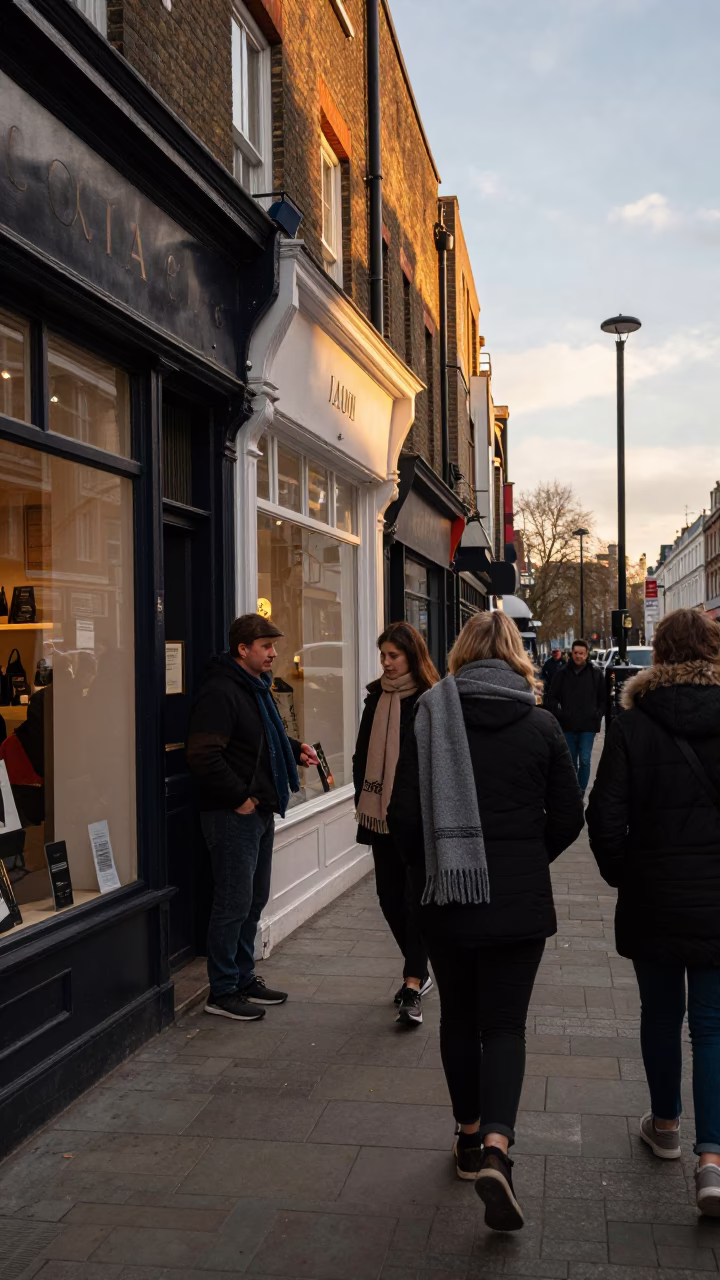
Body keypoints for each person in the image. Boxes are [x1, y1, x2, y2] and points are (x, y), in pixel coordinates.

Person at [388, 611, 583, 1231]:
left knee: (460, 1020)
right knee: (505, 1027)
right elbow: (568, 816)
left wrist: (443, 866)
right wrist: (526, 860)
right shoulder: (542, 725)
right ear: (517, 655)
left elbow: (403, 818)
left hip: (445, 904)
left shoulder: (430, 717)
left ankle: (469, 1138)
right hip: (518, 905)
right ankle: (499, 1146)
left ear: (462, 654)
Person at [587, 608, 720, 1218]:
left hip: (656, 895)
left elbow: (605, 817)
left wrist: (629, 879)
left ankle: (665, 1125)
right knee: (714, 1026)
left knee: (662, 1015)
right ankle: (712, 1160)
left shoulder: (632, 723)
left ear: (659, 654)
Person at [187, 614, 319, 1022]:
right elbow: (202, 754)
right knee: (232, 903)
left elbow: (260, 738)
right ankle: (223, 989)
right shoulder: (221, 691)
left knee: (253, 900)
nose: (274, 653)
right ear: (242, 649)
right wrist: (239, 797)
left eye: (273, 646)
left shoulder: (255, 689)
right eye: (265, 646)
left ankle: (243, 978)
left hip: (260, 809)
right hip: (233, 814)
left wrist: (293, 747)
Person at [353, 622, 439, 1027]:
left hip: (418, 819)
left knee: (414, 900)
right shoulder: (375, 698)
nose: (386, 663)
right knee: (389, 900)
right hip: (381, 817)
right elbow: (360, 754)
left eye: (393, 656)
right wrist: (362, 798)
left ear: (412, 657)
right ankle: (421, 966)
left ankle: (412, 982)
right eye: (383, 655)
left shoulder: (430, 699)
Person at [547, 638, 604, 795]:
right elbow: (552, 697)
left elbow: (603, 699)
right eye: (575, 653)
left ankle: (581, 791)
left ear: (586, 655)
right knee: (571, 761)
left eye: (581, 653)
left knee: (585, 760)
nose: (578, 656)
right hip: (568, 725)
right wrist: (560, 714)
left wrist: (597, 715)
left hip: (588, 725)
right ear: (571, 653)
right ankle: (572, 791)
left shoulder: (596, 674)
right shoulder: (562, 674)